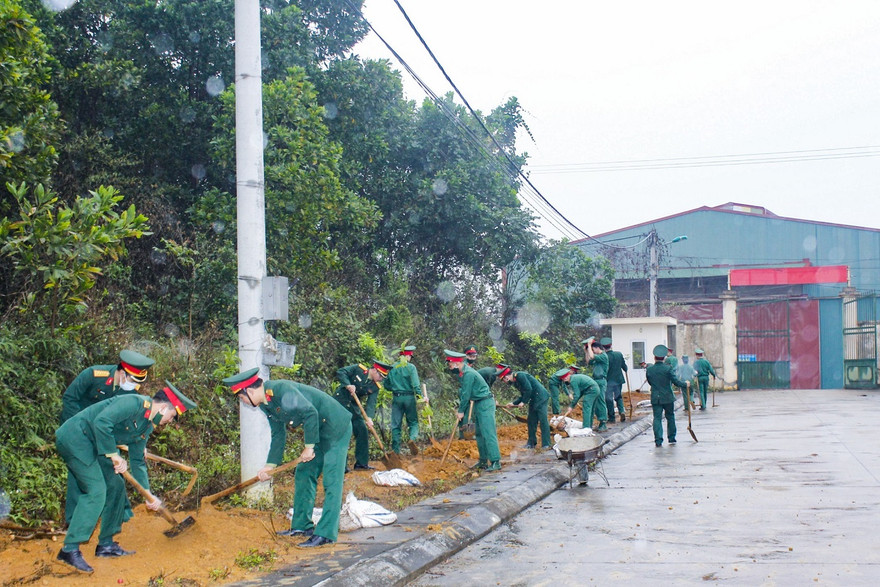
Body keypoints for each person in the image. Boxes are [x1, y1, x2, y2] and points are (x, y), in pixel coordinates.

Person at [55, 382, 195, 573]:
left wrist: (148, 495)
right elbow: (101, 422)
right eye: (171, 417)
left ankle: (106, 545)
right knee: (97, 490)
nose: (170, 422)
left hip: (95, 445)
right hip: (76, 438)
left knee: (116, 485)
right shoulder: (133, 403)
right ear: (163, 408)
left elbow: (137, 461)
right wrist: (113, 455)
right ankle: (69, 550)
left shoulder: (147, 425)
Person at [223, 368, 351, 548]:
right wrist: (269, 466)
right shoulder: (266, 404)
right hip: (318, 430)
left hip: (336, 426)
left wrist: (309, 447)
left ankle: (326, 533)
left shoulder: (281, 389)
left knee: (332, 479)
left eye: (242, 397)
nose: (243, 401)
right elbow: (278, 434)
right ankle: (301, 526)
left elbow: (310, 413)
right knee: (304, 472)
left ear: (250, 391)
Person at [59, 349, 156, 527]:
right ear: (121, 371)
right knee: (78, 474)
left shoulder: (130, 393)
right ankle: (72, 521)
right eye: (132, 380)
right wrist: (78, 430)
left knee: (114, 473)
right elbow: (70, 399)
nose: (134, 386)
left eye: (138, 382)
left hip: (104, 437)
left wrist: (137, 441)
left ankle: (120, 517)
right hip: (79, 433)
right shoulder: (94, 375)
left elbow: (126, 419)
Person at [445, 350, 501, 471]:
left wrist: (461, 411)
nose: (450, 368)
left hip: (485, 403)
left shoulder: (468, 374)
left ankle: (495, 461)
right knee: (479, 433)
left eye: (450, 365)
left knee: (488, 432)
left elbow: (466, 394)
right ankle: (483, 461)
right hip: (478, 403)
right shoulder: (463, 373)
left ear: (456, 364)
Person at [333, 360, 390, 470]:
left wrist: (369, 418)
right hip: (340, 403)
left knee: (362, 429)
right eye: (380, 375)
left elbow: (371, 403)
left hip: (354, 407)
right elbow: (341, 372)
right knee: (343, 432)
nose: (381, 379)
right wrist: (348, 384)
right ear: (374, 370)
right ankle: (341, 467)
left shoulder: (375, 387)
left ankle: (361, 464)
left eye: (383, 377)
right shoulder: (358, 369)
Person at [646, 344, 691, 447]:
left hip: (655, 397)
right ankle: (671, 438)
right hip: (667, 397)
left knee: (657, 418)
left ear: (654, 357)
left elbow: (650, 382)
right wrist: (685, 384)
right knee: (670, 417)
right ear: (664, 358)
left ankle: (658, 440)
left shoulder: (649, 369)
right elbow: (675, 382)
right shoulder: (668, 369)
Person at [502, 369, 552, 449]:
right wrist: (513, 403)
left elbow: (529, 389)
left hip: (541, 397)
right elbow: (524, 394)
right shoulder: (515, 382)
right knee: (531, 421)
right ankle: (531, 443)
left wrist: (523, 402)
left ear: (506, 377)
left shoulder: (520, 376)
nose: (504, 382)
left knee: (543, 420)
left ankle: (546, 444)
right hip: (533, 399)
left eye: (503, 379)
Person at [386, 345, 421, 455]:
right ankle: (412, 439)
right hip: (409, 397)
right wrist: (420, 397)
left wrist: (396, 388)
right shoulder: (411, 367)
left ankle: (395, 451)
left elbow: (386, 385)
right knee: (413, 422)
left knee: (396, 425)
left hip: (397, 398)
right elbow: (416, 385)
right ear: (408, 356)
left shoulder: (392, 368)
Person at [602, 338, 628, 423]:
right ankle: (621, 411)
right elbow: (624, 367)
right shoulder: (618, 354)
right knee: (618, 396)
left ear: (603, 347)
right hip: (618, 380)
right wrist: (625, 369)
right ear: (611, 345)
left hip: (609, 381)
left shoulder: (604, 357)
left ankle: (612, 418)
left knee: (609, 399)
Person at [585, 339, 609, 431]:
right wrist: (586, 350)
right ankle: (599, 421)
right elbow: (588, 360)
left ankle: (603, 422)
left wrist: (589, 345)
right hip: (595, 381)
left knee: (601, 401)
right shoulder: (597, 357)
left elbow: (592, 356)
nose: (593, 351)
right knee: (595, 402)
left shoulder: (603, 356)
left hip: (601, 381)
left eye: (593, 349)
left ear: (597, 348)